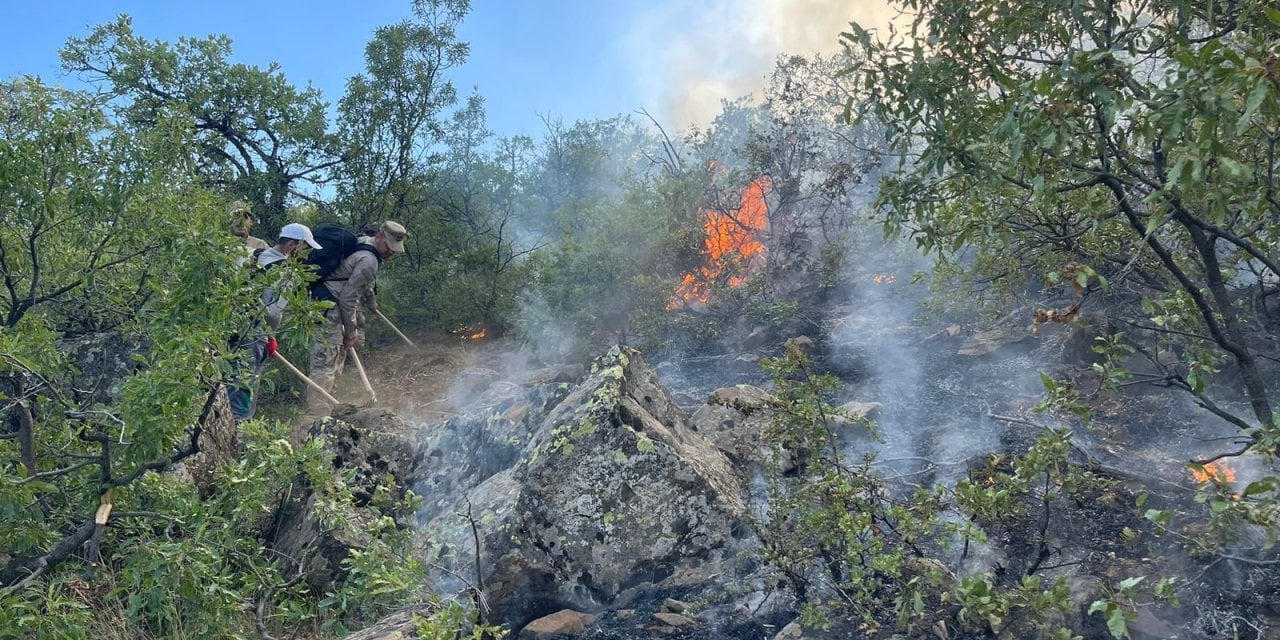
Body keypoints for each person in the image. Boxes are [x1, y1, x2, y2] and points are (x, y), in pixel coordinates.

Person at [228, 223, 323, 424]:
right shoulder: (285, 272)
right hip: (253, 334)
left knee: (225, 379)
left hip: (230, 326)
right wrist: (270, 336)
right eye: (306, 248)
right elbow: (272, 312)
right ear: (291, 245)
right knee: (245, 383)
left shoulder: (252, 254)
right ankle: (236, 431)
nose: (308, 255)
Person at [307, 220, 406, 410]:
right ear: (379, 237)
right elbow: (348, 298)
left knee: (334, 358)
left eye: (395, 248)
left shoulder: (362, 242)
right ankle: (316, 414)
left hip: (328, 303)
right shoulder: (369, 261)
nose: (391, 252)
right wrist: (351, 332)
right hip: (330, 308)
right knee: (325, 362)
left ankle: (329, 405)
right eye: (389, 246)